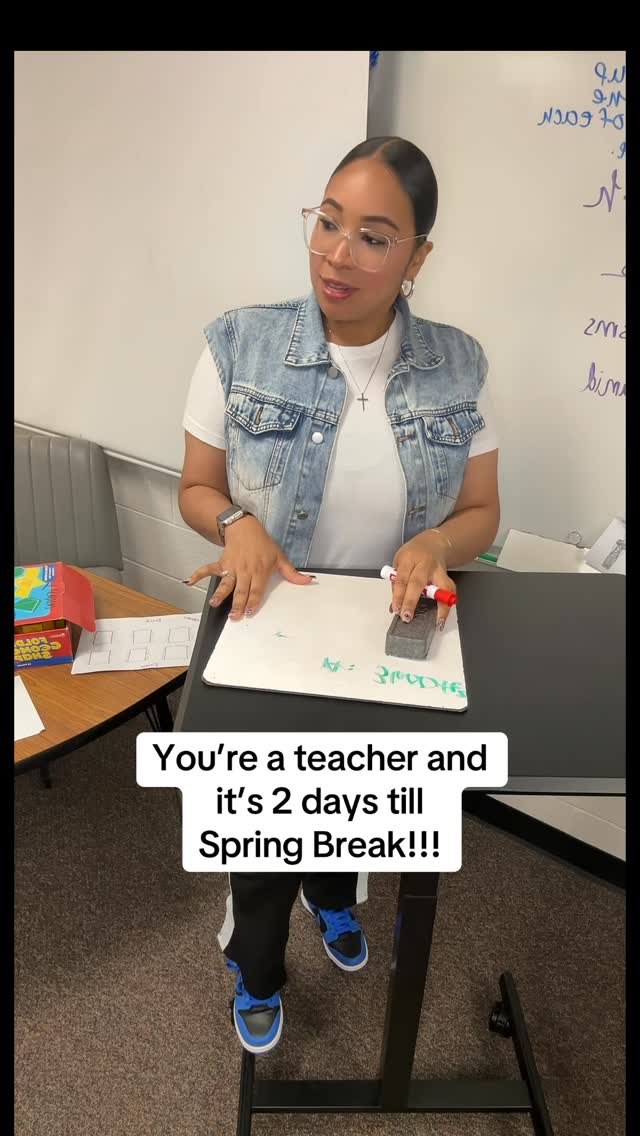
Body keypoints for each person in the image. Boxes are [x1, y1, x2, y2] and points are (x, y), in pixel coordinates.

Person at [179, 136, 500, 1053]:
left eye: (373, 236)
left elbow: (483, 511)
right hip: (265, 625)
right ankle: (257, 969)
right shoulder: (238, 343)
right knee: (261, 830)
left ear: (417, 255)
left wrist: (437, 542)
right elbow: (195, 488)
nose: (337, 254)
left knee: (352, 808)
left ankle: (333, 899)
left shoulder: (460, 365)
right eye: (327, 223)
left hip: (382, 637)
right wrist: (235, 524)